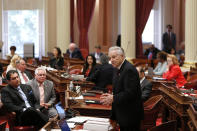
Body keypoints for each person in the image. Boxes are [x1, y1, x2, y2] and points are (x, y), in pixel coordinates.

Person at [100, 46, 144, 131]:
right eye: (110, 58)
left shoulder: (129, 69)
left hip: (130, 114)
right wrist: (111, 96)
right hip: (122, 112)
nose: (111, 60)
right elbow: (120, 89)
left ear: (122, 56)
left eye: (114, 57)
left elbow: (130, 93)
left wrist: (113, 98)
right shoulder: (117, 68)